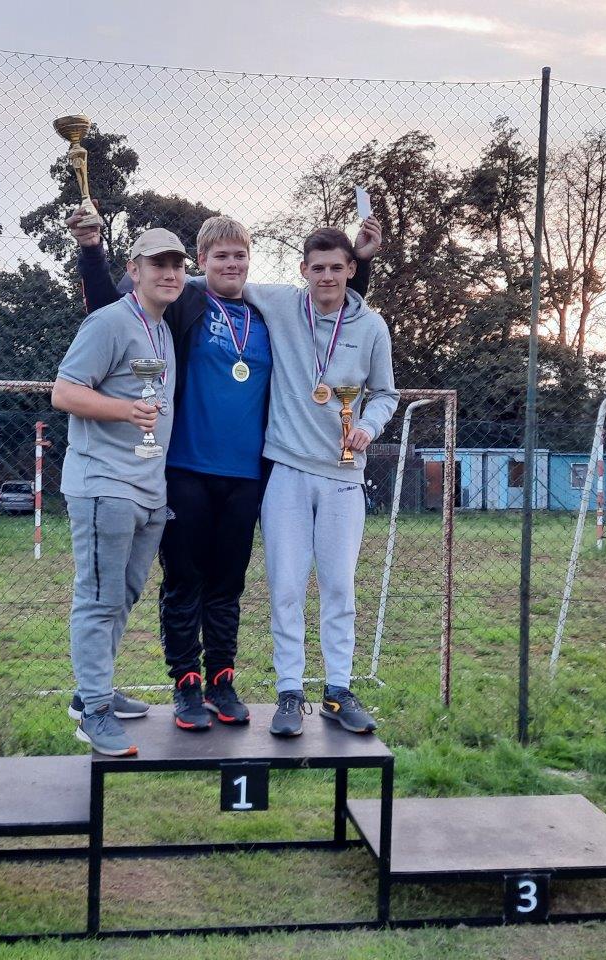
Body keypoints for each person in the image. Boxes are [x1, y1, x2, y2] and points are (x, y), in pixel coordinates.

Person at [68, 209, 380, 732]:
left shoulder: (268, 311)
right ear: (202, 260)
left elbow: (330, 306)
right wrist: (92, 251)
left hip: (248, 475)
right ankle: (186, 683)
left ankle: (221, 680)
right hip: (186, 467)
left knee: (227, 583)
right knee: (185, 581)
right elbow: (109, 306)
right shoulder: (184, 301)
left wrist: (360, 263)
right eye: (220, 256)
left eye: (240, 255)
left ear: (250, 260)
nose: (231, 264)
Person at [220, 227, 399, 737]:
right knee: (286, 587)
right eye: (317, 268)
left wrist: (368, 426)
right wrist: (148, 283)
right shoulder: (281, 304)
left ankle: (338, 691)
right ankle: (289, 692)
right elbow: (219, 280)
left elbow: (385, 394)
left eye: (336, 267)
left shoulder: (372, 327)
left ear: (351, 271)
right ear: (303, 270)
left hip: (343, 474)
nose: (326, 276)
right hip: (288, 470)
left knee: (339, 587)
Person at [50, 227, 187, 757]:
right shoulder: (108, 322)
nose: (169, 273)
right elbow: (64, 392)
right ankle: (93, 711)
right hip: (104, 483)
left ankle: (94, 692)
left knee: (124, 594)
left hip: (148, 488)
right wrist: (125, 410)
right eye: (157, 264)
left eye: (176, 265)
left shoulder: (162, 328)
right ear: (134, 270)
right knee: (98, 597)